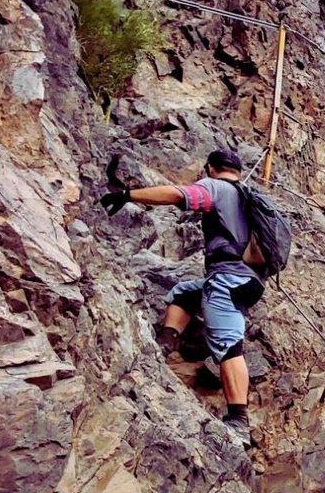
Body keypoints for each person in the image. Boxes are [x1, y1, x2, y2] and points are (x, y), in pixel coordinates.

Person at [100, 148, 263, 432]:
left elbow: (180, 196)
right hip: (251, 281)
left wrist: (128, 195)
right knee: (185, 293)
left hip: (226, 278)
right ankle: (166, 341)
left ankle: (239, 420)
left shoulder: (216, 187)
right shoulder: (249, 197)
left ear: (211, 167)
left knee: (228, 345)